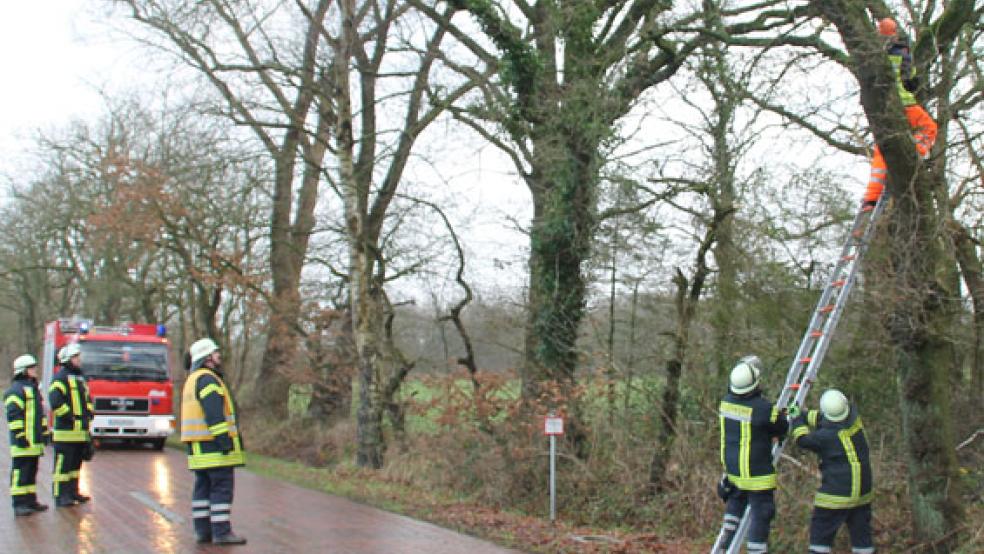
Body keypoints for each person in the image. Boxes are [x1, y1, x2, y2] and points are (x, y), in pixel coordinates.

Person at [716, 355, 789, 553]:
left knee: (737, 500)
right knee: (761, 514)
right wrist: (788, 415)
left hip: (734, 472)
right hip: (757, 476)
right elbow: (782, 427)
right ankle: (756, 550)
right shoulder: (764, 409)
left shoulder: (725, 403)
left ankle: (727, 537)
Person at [863, 17, 938, 208]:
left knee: (882, 150)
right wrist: (915, 81)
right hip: (904, 103)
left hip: (882, 110)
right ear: (894, 33)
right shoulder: (901, 52)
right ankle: (912, 154)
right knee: (929, 128)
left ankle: (871, 198)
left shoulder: (871, 54)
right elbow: (908, 81)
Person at [789, 389, 875, 554]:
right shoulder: (855, 421)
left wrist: (795, 418)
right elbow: (824, 418)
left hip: (836, 495)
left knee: (820, 536)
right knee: (862, 538)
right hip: (862, 495)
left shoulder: (825, 437)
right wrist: (803, 414)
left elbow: (802, 439)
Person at [181, 338, 246, 545]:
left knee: (202, 488)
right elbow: (214, 414)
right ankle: (221, 532)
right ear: (207, 357)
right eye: (216, 353)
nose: (219, 356)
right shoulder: (209, 380)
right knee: (221, 488)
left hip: (198, 448)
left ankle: (203, 531)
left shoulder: (192, 379)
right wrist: (224, 441)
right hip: (214, 448)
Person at [48, 343, 94, 507]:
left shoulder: (80, 378)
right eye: (75, 357)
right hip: (65, 433)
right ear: (67, 359)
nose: (79, 360)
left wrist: (89, 414)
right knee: (63, 467)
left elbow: (87, 399)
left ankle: (73, 492)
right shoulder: (59, 378)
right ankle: (60, 496)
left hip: (80, 433)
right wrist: (72, 418)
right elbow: (56, 402)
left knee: (75, 466)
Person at [4, 354, 50, 516]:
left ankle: (30, 501)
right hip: (23, 442)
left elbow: (39, 415)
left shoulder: (33, 389)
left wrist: (44, 433)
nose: (35, 370)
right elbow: (13, 416)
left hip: (34, 441)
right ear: (23, 370)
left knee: (30, 472)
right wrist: (20, 436)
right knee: (20, 473)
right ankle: (19, 504)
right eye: (31, 368)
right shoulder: (15, 391)